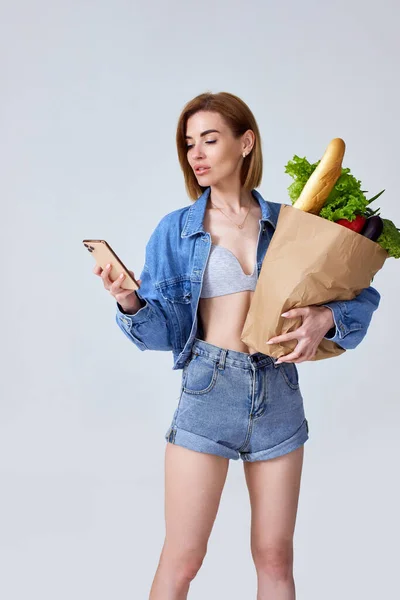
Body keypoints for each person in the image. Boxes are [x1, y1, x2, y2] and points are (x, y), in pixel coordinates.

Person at [93, 92, 380, 599]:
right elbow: (163, 332)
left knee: (275, 556)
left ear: (246, 142)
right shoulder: (177, 231)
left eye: (210, 139)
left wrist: (327, 317)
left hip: (278, 392)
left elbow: (361, 296)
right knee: (183, 558)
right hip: (209, 390)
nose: (196, 154)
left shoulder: (292, 224)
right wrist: (130, 303)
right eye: (189, 144)